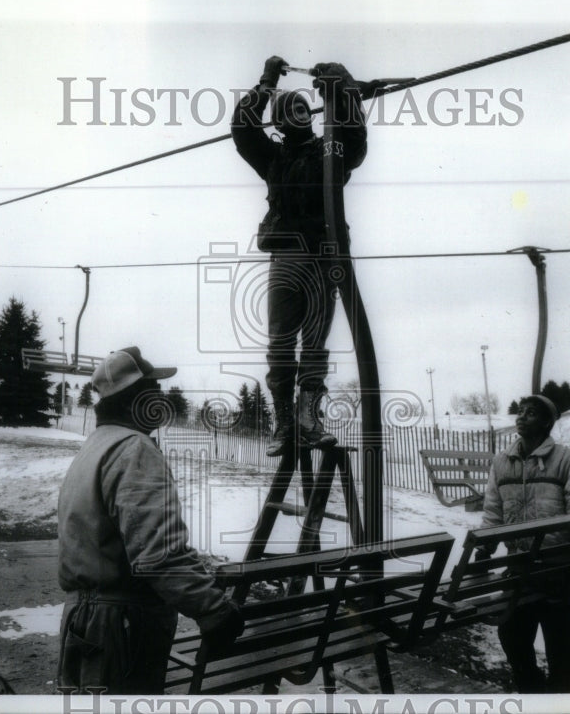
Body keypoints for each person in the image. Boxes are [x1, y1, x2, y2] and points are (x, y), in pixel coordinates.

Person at [56, 347, 244, 694]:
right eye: (153, 390)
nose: (161, 398)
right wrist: (215, 611)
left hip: (87, 619)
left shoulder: (96, 445)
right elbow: (158, 556)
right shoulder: (135, 450)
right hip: (121, 626)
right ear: (134, 401)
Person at [231, 55, 368, 457]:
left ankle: (309, 419)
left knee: (314, 343)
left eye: (305, 107)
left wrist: (340, 86)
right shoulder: (272, 157)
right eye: (289, 109)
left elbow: (354, 138)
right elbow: (242, 128)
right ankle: (284, 422)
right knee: (280, 342)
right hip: (287, 257)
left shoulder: (331, 150)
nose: (300, 113)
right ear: (278, 121)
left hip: (325, 257)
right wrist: (267, 80)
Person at [479, 394, 570, 693]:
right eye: (519, 411)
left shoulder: (566, 461)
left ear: (547, 422)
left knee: (558, 644)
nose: (521, 417)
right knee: (512, 636)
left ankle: (558, 697)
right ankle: (532, 694)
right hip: (518, 566)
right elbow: (493, 511)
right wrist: (485, 546)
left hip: (557, 569)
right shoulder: (502, 462)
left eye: (531, 413)